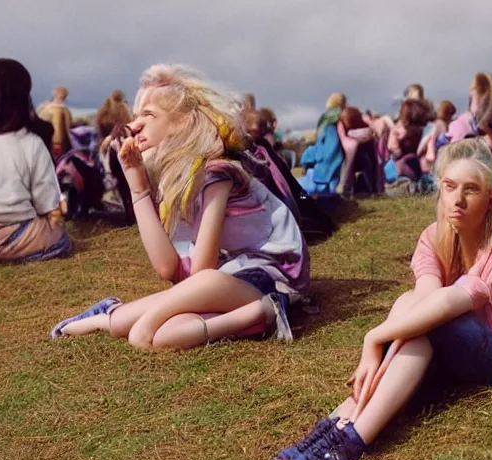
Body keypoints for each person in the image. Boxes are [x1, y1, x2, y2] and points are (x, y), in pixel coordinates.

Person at [269, 139, 492, 460]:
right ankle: (349, 416)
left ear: (490, 199)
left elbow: (449, 302)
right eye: (450, 187)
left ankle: (354, 433)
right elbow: (425, 301)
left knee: (432, 320)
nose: (458, 200)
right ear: (440, 191)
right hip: (452, 338)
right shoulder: (433, 238)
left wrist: (373, 338)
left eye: (471, 190)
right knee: (411, 305)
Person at [50, 64, 310, 349]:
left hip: (267, 278)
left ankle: (267, 308)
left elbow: (201, 275)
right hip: (228, 280)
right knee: (162, 335)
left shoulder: (216, 174)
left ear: (182, 123)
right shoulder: (176, 179)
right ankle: (112, 316)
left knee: (142, 330)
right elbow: (168, 269)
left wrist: (149, 318)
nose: (135, 126)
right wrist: (138, 189)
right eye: (137, 116)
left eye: (148, 115)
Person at [0, 58, 70, 266]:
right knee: (60, 237)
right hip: (15, 236)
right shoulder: (32, 143)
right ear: (23, 97)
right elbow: (47, 202)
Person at [38, 85, 72, 161]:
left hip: (45, 143)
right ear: (65, 97)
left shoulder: (44, 108)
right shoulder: (65, 110)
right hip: (60, 143)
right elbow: (68, 128)